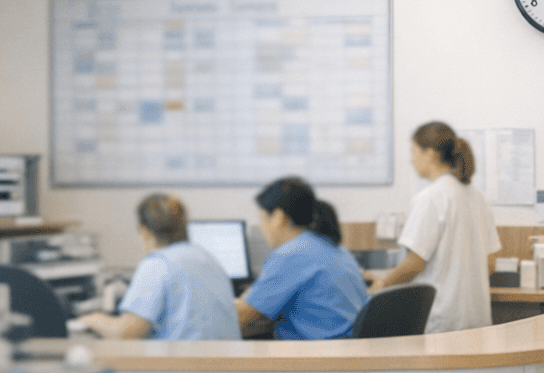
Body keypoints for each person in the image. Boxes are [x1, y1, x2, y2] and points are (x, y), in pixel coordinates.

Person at [369, 121, 500, 334]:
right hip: (477, 319)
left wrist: (382, 285)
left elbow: (413, 264)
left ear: (429, 154)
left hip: (442, 321)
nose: (411, 160)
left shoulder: (430, 198)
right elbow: (490, 263)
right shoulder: (477, 197)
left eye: (413, 152)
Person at [78, 193, 239, 340]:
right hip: (225, 365)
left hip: (183, 368)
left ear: (145, 232)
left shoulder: (158, 264)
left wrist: (92, 319)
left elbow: (126, 333)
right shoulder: (207, 258)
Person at [237, 177, 369, 339]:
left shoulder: (290, 254)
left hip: (324, 356)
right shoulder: (333, 247)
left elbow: (241, 317)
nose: (262, 226)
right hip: (349, 350)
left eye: (263, 218)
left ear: (278, 217)